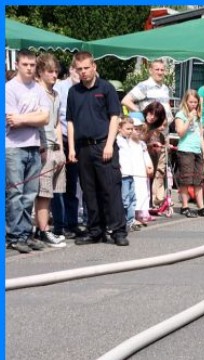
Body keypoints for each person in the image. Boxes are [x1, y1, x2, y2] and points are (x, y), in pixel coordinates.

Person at [66, 51, 129, 246]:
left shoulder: (107, 88)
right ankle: (95, 230)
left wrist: (110, 143)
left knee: (110, 189)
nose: (83, 72)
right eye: (80, 69)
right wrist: (71, 148)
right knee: (89, 191)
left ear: (94, 67)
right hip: (83, 147)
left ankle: (118, 230)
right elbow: (69, 121)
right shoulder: (73, 92)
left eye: (86, 68)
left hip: (103, 144)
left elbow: (114, 117)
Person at [6, 49, 51, 253]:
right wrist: (34, 117)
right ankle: (15, 235)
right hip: (13, 147)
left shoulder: (38, 89)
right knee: (15, 192)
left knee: (30, 193)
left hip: (33, 145)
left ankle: (25, 233)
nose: (29, 68)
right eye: (25, 64)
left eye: (32, 65)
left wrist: (25, 118)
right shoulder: (9, 88)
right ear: (18, 65)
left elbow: (46, 118)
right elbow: (12, 121)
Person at [34, 52, 68, 248]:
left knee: (54, 191)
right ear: (41, 72)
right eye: (50, 72)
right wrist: (41, 145)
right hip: (42, 145)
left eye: (56, 72)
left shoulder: (56, 94)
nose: (54, 75)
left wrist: (61, 149)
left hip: (55, 146)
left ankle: (45, 228)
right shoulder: (37, 91)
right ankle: (43, 230)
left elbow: (56, 123)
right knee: (43, 192)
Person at [52, 62, 83, 239]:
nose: (80, 73)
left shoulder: (86, 88)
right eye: (76, 69)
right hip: (61, 138)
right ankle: (59, 224)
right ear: (71, 70)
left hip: (77, 141)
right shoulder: (60, 88)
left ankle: (72, 223)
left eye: (83, 69)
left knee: (72, 184)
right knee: (58, 186)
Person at [174, 89, 204, 218]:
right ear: (186, 101)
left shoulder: (198, 116)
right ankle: (185, 206)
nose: (193, 105)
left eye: (195, 102)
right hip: (185, 149)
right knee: (186, 179)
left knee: (198, 180)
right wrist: (189, 119)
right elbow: (180, 132)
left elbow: (200, 135)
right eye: (191, 102)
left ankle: (201, 207)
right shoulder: (181, 114)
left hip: (197, 150)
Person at [121, 59, 174, 127]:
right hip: (149, 129)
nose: (160, 72)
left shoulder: (165, 88)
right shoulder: (144, 86)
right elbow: (125, 101)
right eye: (157, 69)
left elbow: (166, 105)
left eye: (162, 70)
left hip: (164, 130)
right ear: (150, 71)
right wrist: (142, 115)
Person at [116, 116, 144, 231]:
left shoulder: (128, 140)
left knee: (133, 199)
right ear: (119, 128)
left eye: (132, 129)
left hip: (130, 174)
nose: (131, 131)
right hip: (123, 175)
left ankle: (130, 221)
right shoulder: (117, 140)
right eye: (128, 129)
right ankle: (122, 222)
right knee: (125, 200)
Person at [142, 101, 168, 209]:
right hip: (136, 157)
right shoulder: (140, 121)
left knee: (150, 179)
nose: (152, 117)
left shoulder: (154, 128)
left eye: (156, 116)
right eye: (151, 113)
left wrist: (154, 146)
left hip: (149, 157)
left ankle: (147, 205)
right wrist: (150, 145)